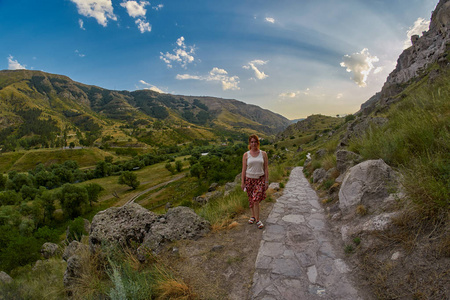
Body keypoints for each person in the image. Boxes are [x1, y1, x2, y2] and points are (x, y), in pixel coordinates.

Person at [241, 134, 268, 229]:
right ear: (249, 143)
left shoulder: (263, 154)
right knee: (251, 199)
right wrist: (242, 182)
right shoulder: (246, 155)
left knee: (256, 200)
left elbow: (266, 168)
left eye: (255, 142)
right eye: (252, 142)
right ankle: (252, 216)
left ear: (258, 143)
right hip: (249, 179)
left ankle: (257, 219)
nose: (253, 144)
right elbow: (243, 169)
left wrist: (266, 181)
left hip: (260, 179)